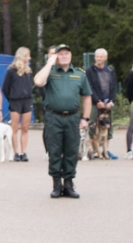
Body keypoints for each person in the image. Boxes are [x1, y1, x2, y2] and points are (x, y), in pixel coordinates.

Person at [34, 44, 93, 197]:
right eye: (61, 54)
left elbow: (87, 97)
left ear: (71, 56)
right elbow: (38, 82)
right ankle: (56, 185)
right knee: (54, 151)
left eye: (67, 53)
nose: (64, 56)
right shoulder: (50, 72)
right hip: (54, 117)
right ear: (55, 56)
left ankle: (68, 184)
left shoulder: (79, 74)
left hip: (73, 118)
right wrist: (49, 63)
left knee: (72, 151)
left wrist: (85, 118)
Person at [85, 48, 120, 159]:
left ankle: (106, 151)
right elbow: (89, 87)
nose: (99, 58)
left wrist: (112, 101)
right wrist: (97, 101)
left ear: (106, 58)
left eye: (101, 56)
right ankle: (91, 151)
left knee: (107, 125)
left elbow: (114, 87)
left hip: (108, 103)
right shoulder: (89, 70)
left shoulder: (110, 70)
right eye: (97, 56)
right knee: (92, 127)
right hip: (95, 103)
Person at [3, 48, 34, 161]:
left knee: (25, 128)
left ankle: (23, 152)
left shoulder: (29, 71)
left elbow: (30, 85)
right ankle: (16, 153)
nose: (29, 58)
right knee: (14, 128)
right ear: (22, 56)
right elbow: (5, 88)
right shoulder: (11, 70)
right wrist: (11, 99)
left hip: (27, 101)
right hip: (15, 101)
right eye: (28, 56)